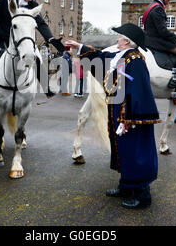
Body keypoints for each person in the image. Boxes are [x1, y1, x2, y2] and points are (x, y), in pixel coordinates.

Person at [66, 23, 161, 209]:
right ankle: (126, 186)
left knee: (135, 151)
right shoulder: (122, 56)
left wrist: (130, 119)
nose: (117, 39)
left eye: (120, 37)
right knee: (124, 151)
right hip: (119, 112)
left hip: (131, 116)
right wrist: (80, 47)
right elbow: (101, 58)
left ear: (126, 41)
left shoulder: (135, 60)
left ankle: (143, 196)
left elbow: (140, 91)